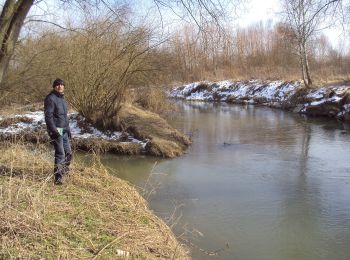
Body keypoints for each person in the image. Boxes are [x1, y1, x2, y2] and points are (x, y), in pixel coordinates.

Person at [44, 78, 72, 185]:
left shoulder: (62, 99)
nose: (60, 86)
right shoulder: (50, 98)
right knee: (60, 153)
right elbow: (48, 117)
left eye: (61, 84)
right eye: (57, 85)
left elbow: (64, 117)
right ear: (54, 86)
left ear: (64, 86)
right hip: (57, 130)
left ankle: (64, 170)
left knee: (68, 153)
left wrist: (68, 130)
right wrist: (54, 130)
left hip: (64, 130)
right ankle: (58, 178)